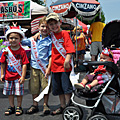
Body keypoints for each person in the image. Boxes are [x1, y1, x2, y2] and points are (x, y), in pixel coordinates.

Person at [45, 13, 75, 115]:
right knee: (59, 89)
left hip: (64, 66)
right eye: (51, 24)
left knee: (66, 88)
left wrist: (67, 60)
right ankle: (62, 106)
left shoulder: (65, 33)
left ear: (60, 22)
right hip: (54, 66)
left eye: (55, 23)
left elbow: (70, 48)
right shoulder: (51, 35)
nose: (53, 26)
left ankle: (69, 106)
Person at [21, 16, 52, 115]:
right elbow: (21, 41)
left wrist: (49, 68)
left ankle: (45, 104)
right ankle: (35, 105)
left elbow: (51, 55)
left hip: (45, 68)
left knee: (45, 87)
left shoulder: (50, 40)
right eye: (42, 26)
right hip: (34, 67)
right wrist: (19, 31)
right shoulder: (32, 39)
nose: (44, 29)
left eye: (47, 27)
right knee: (34, 87)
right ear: (38, 27)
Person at [0, 26, 29, 116]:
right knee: (10, 93)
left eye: (16, 38)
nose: (13, 40)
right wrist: (2, 74)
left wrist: (23, 76)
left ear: (20, 39)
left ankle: (19, 106)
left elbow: (24, 64)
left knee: (19, 93)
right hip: (8, 76)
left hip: (18, 76)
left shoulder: (22, 51)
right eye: (11, 38)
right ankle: (11, 106)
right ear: (8, 39)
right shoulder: (5, 51)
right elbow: (3, 63)